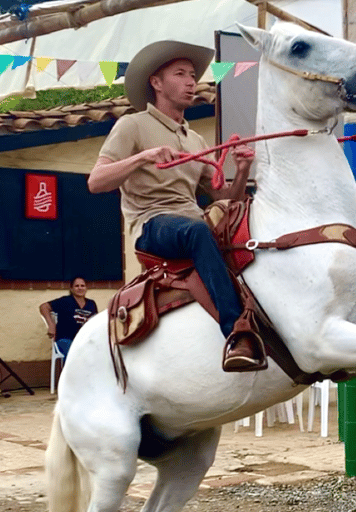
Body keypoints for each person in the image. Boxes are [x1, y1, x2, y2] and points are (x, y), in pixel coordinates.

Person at [87, 40, 264, 372]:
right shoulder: (132, 125)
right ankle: (237, 332)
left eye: (193, 75)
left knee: (251, 230)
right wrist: (143, 156)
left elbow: (225, 200)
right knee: (196, 230)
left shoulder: (195, 140)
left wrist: (241, 172)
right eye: (180, 74)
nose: (190, 82)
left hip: (193, 222)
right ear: (156, 83)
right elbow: (95, 182)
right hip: (153, 224)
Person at [39, 277, 98, 358]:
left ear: (86, 288)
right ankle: (73, 370)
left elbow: (95, 321)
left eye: (82, 286)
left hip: (84, 340)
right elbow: (43, 307)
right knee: (74, 353)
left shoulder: (91, 304)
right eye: (77, 286)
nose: (80, 288)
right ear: (71, 288)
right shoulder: (65, 301)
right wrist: (51, 325)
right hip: (65, 339)